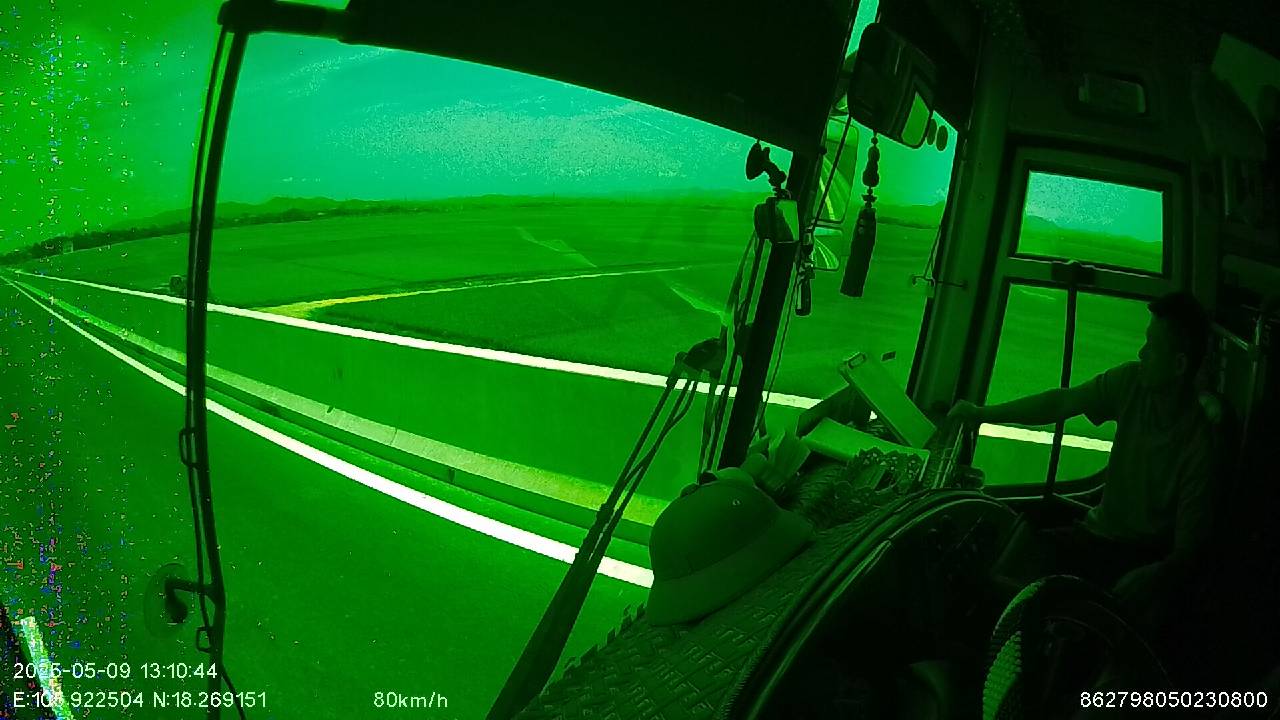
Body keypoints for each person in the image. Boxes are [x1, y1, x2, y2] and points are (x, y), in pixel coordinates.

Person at [949, 290, 1220, 624]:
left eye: (1152, 346)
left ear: (1179, 365)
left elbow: (1187, 551)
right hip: (1092, 534)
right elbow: (1060, 403)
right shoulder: (1131, 382)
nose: (1142, 352)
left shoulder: (1199, 447)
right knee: (997, 545)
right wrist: (982, 414)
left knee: (1000, 590)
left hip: (1130, 557)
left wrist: (1154, 575)